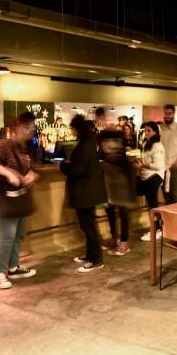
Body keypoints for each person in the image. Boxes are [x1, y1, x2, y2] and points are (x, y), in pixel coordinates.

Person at [0, 112, 41, 290]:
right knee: (6, 237)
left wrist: (33, 175)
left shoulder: (26, 148)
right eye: (27, 128)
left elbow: (34, 169)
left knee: (18, 236)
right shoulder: (5, 144)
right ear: (17, 128)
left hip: (21, 199)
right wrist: (9, 173)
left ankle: (14, 267)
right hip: (5, 200)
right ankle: (0, 273)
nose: (30, 131)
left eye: (32, 128)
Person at [60, 115, 108, 273]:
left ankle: (96, 259)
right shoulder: (90, 142)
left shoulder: (84, 144)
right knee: (88, 225)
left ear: (77, 128)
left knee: (88, 226)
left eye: (72, 128)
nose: (71, 131)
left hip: (85, 191)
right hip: (89, 191)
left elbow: (78, 169)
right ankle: (90, 255)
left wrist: (64, 166)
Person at [98, 129, 135, 256]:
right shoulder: (103, 145)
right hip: (109, 180)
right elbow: (101, 157)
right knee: (110, 209)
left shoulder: (119, 146)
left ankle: (124, 242)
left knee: (123, 211)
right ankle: (115, 238)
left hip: (122, 180)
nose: (109, 145)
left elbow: (120, 161)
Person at [136, 122, 166, 242]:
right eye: (145, 130)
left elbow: (158, 165)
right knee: (151, 204)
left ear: (155, 132)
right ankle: (157, 228)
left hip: (154, 176)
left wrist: (143, 164)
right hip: (147, 176)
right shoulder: (147, 143)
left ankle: (157, 230)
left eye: (149, 130)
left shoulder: (157, 146)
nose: (146, 133)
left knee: (153, 204)